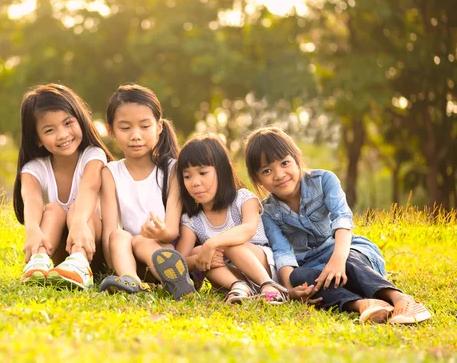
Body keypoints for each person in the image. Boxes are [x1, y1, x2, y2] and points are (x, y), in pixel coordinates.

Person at [245, 126, 432, 324]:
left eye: (284, 163)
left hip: (347, 250)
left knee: (350, 260)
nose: (279, 174)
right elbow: (282, 252)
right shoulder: (267, 212)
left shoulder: (324, 180)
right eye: (267, 170)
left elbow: (342, 219)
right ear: (258, 179)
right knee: (300, 276)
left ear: (297, 159)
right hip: (315, 267)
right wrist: (290, 289)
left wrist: (337, 259)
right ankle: (364, 305)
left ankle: (400, 298)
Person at [99, 84, 195, 300]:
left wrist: (157, 233)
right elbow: (109, 231)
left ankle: (174, 279)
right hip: (126, 258)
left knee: (142, 241)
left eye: (144, 126)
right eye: (125, 128)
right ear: (110, 131)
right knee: (119, 235)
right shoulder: (110, 172)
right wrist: (112, 260)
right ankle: (130, 280)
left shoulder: (172, 169)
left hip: (165, 253)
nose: (135, 136)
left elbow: (171, 230)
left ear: (159, 127)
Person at [13, 84, 113, 289]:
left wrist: (78, 222)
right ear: (37, 139)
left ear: (80, 119)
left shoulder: (93, 155)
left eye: (68, 123)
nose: (62, 134)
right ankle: (38, 263)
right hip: (59, 258)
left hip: (97, 248)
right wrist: (31, 229)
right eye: (50, 130)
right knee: (52, 209)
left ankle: (80, 263)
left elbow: (90, 187)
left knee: (78, 208)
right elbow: (31, 199)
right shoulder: (34, 169)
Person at [175, 134, 287, 304]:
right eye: (187, 176)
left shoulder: (243, 199)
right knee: (198, 253)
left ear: (222, 171)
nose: (194, 182)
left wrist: (212, 244)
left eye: (203, 173)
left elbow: (248, 229)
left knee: (227, 245)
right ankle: (240, 287)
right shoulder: (192, 219)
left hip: (261, 265)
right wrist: (199, 259)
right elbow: (179, 261)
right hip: (230, 276)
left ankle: (270, 286)